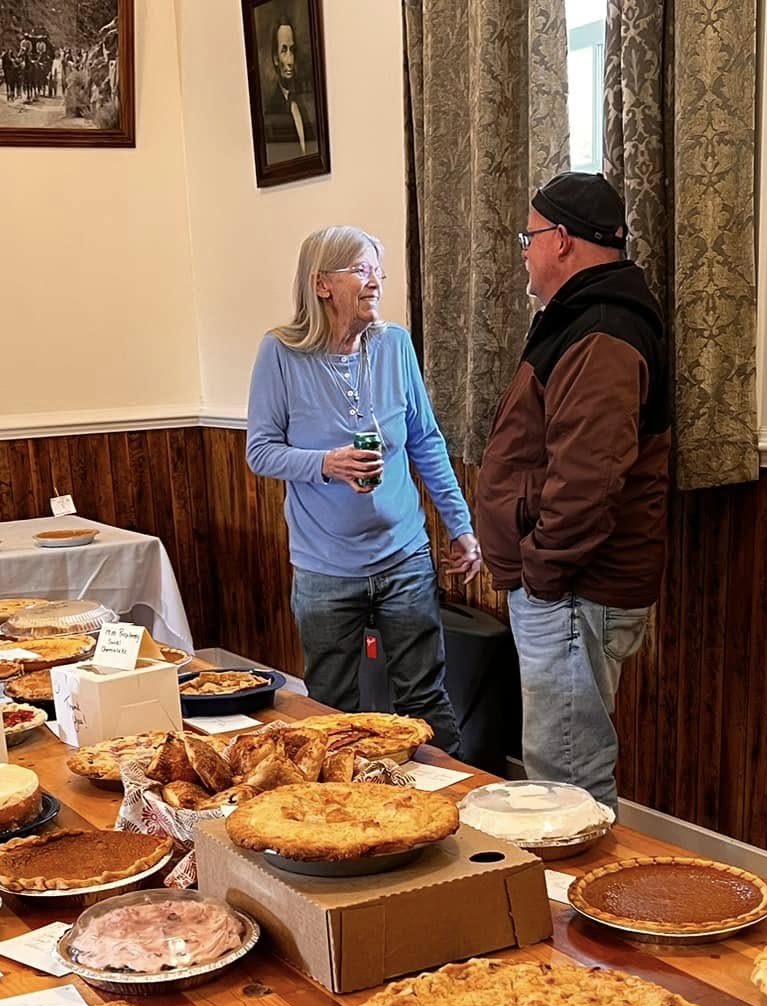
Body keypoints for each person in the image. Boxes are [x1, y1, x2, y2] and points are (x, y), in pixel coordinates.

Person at [474, 172, 670, 814]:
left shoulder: (603, 330)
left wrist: (541, 575)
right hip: (566, 588)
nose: (524, 252)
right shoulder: (587, 319)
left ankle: (580, 885)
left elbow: (588, 480)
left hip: (572, 588)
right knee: (562, 770)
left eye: (528, 237)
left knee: (567, 782)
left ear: (561, 239)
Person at [247, 226, 480, 755]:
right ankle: (344, 801)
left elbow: (426, 442)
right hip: (325, 568)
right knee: (331, 708)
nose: (375, 281)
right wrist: (325, 463)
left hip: (404, 557)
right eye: (360, 270)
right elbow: (260, 451)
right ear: (321, 284)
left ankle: (452, 795)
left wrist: (461, 526)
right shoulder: (280, 352)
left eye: (377, 270)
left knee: (424, 698)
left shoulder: (394, 344)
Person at [261, 16, 314, 158]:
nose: (290, 61)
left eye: (292, 50)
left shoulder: (301, 104)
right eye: (284, 51)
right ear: (275, 58)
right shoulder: (272, 112)